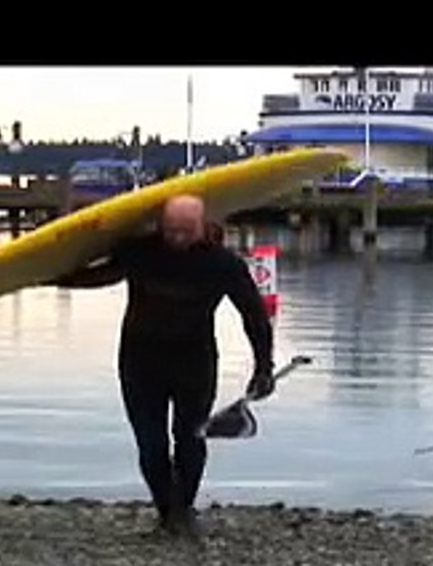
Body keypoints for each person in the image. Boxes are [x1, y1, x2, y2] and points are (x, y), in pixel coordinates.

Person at [51, 195, 275, 538]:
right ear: (160, 225)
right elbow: (102, 275)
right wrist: (49, 277)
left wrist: (263, 367)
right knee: (150, 442)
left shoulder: (222, 263)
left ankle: (181, 511)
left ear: (203, 227)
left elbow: (253, 315)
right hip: (140, 361)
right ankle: (167, 510)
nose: (178, 238)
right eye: (172, 230)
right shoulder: (140, 250)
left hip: (195, 361)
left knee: (190, 437)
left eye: (186, 231)